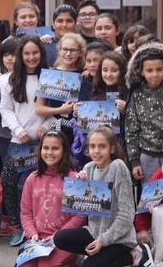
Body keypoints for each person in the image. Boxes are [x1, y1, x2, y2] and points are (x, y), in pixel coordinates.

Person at [53, 127, 136, 267]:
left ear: (112, 149)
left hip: (120, 240)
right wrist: (80, 185)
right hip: (94, 232)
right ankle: (103, 257)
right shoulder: (88, 168)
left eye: (102, 146)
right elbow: (83, 208)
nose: (96, 151)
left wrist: (102, 241)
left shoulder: (118, 167)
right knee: (59, 238)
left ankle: (131, 256)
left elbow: (127, 215)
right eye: (92, 146)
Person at [0, 36, 54, 245]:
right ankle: (16, 225)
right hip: (18, 141)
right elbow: (5, 108)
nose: (31, 57)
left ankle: (39, 227)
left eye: (35, 52)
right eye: (27, 53)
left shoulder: (49, 78)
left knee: (39, 184)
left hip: (43, 142)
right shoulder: (11, 80)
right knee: (9, 182)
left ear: (41, 53)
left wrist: (46, 127)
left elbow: (58, 110)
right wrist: (17, 129)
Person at [19, 130, 85, 267]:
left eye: (55, 148)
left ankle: (74, 261)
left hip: (63, 239)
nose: (49, 152)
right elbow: (26, 213)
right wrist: (32, 234)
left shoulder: (73, 178)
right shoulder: (32, 178)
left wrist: (58, 236)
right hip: (37, 239)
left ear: (64, 151)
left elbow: (79, 217)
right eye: (46, 148)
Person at [124, 42, 163, 182]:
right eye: (150, 70)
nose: (155, 74)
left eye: (159, 69)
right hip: (147, 156)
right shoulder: (137, 94)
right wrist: (134, 161)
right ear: (141, 72)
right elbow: (131, 129)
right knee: (150, 200)